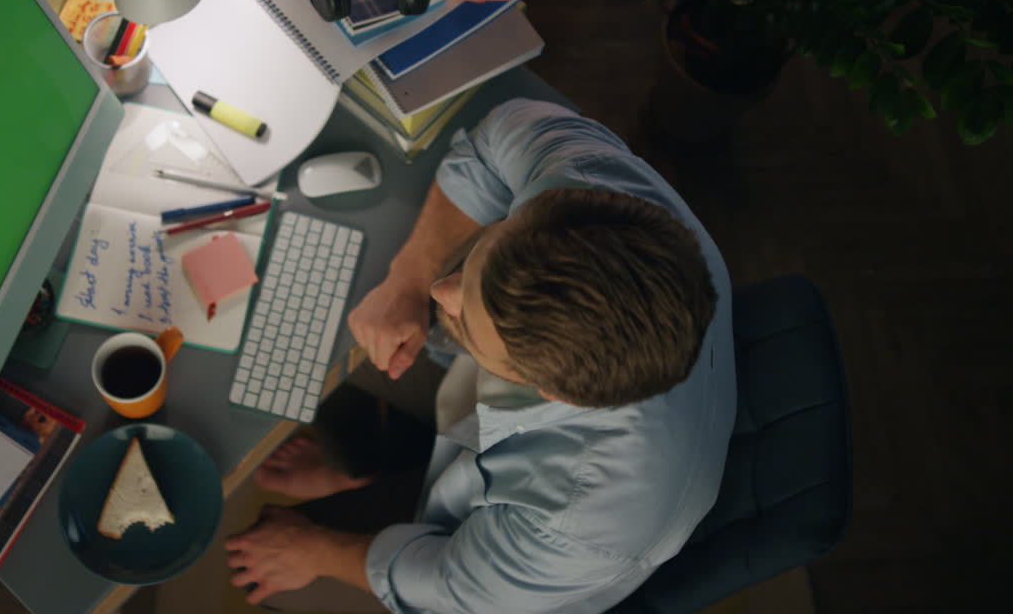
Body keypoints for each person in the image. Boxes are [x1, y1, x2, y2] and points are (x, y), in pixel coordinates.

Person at [225, 99, 737, 613]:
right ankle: (362, 464)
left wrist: (313, 552)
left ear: (545, 389)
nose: (441, 291)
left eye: (466, 317)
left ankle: (365, 477)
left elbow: (453, 587)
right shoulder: (596, 194)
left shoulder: (578, 527)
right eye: (484, 255)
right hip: (474, 406)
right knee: (340, 349)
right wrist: (408, 278)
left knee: (304, 521)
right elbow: (496, 138)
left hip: (479, 553)